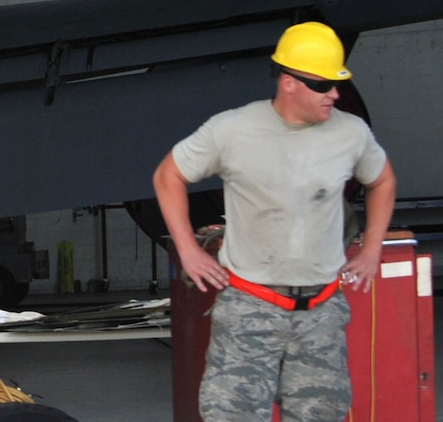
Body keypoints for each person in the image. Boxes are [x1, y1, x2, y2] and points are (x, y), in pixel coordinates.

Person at [152, 21, 396, 422]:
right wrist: (189, 252)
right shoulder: (233, 129)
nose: (334, 94)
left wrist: (371, 251)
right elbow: (169, 175)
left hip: (321, 312)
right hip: (251, 307)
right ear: (289, 82)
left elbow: (382, 180)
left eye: (337, 84)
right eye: (322, 85)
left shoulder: (351, 133)